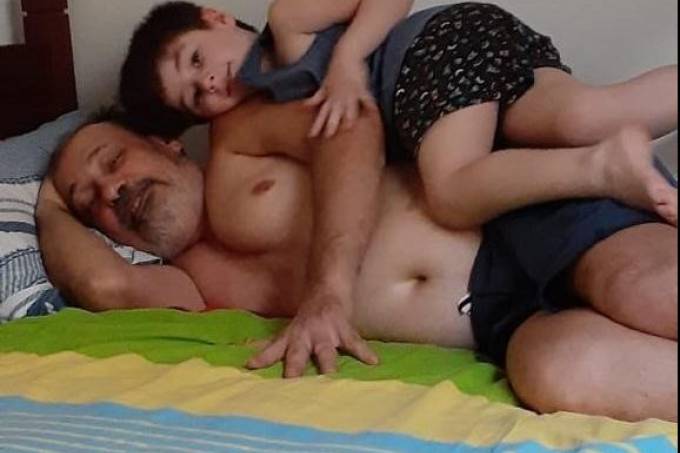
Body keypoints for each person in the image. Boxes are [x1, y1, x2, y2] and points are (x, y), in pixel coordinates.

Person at [118, 0, 678, 375]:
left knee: (452, 191)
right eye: (195, 96)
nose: (209, 82)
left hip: (433, 57)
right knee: (588, 114)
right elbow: (109, 284)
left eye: (196, 60)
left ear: (214, 17)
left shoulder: (286, 26)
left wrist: (348, 59)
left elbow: (353, 119)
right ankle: (604, 157)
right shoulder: (264, 106)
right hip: (479, 74)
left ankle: (599, 168)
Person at [37, 99, 677, 422]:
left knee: (640, 288)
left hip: (521, 218)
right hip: (499, 321)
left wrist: (328, 289)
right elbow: (103, 283)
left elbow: (354, 127)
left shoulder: (239, 139)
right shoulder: (189, 283)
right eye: (90, 201)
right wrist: (48, 205)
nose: (111, 191)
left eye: (111, 162)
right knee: (561, 374)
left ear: (165, 143)